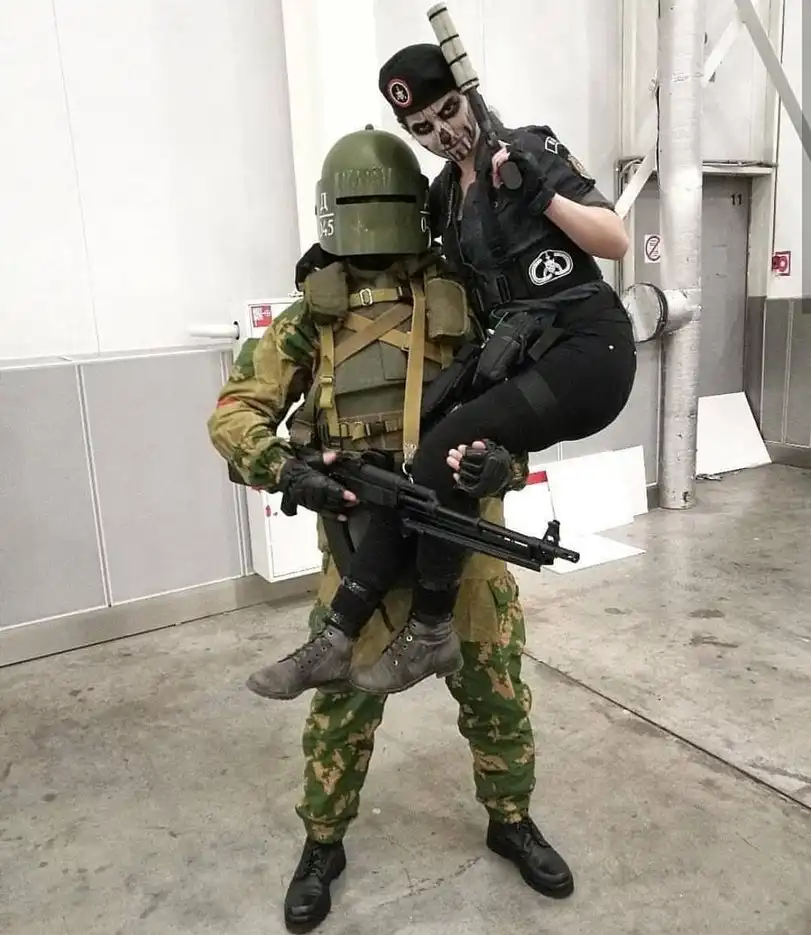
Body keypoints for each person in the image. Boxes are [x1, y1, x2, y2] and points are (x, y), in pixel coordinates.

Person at [207, 126, 574, 933]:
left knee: (497, 698)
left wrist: (500, 465)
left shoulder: (466, 303)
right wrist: (288, 470)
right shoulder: (309, 320)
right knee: (339, 709)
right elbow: (235, 415)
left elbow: (519, 413)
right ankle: (323, 843)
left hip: (464, 544)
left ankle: (510, 819)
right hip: (357, 549)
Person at [282, 42, 638, 698]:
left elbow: (614, 240)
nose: (443, 132)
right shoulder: (446, 193)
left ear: (468, 95)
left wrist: (541, 197)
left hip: (588, 350)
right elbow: (412, 249)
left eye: (449, 110)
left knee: (437, 451)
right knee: (423, 465)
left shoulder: (526, 148)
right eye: (422, 127)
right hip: (523, 354)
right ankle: (338, 636)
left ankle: (429, 632)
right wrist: (336, 255)